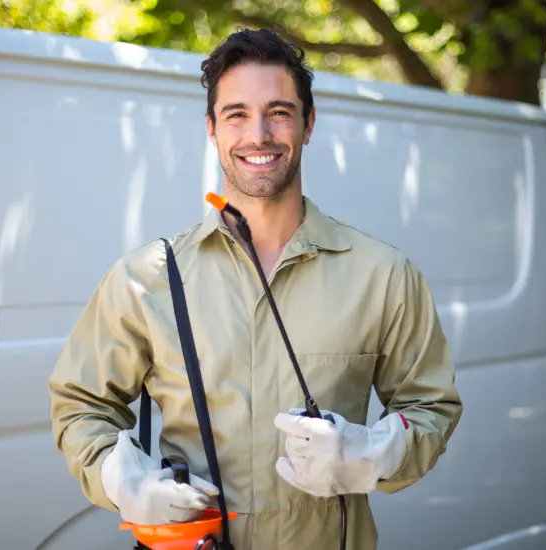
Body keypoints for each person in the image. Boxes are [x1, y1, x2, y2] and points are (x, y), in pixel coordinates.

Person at [48, 27, 463, 550]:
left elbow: (433, 407)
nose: (259, 134)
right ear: (212, 129)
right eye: (237, 114)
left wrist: (371, 455)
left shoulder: (384, 274)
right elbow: (80, 404)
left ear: (308, 124)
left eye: (280, 112)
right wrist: (121, 479)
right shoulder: (145, 277)